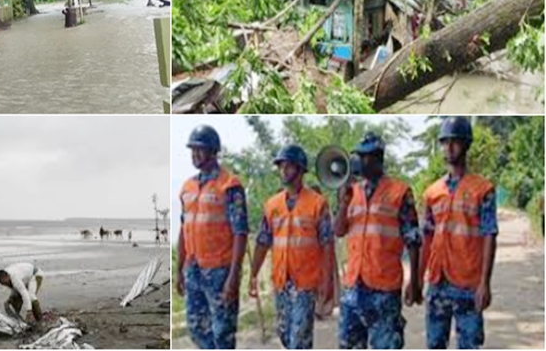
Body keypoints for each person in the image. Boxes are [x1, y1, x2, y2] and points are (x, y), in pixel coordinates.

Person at [333, 132, 422, 349]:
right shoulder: (351, 192)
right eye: (360, 156)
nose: (362, 162)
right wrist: (343, 204)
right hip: (354, 287)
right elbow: (338, 231)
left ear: (378, 158)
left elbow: (413, 240)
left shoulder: (399, 193)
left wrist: (415, 281)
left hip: (384, 290)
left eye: (367, 157)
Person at [419, 117, 497, 349]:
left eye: (454, 142)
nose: (448, 148)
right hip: (438, 282)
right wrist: (417, 279)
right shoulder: (432, 192)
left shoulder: (483, 190)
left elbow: (489, 235)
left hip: (467, 283)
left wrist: (485, 283)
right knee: (434, 344)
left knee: (470, 345)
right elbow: (427, 238)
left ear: (466, 145)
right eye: (444, 142)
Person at [249, 144, 333, 349]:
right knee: (285, 335)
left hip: (305, 283)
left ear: (300, 169)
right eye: (281, 166)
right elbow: (262, 241)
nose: (283, 171)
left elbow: (327, 245)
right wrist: (253, 275)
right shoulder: (272, 205)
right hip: (281, 282)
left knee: (299, 340)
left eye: (288, 166)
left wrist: (326, 281)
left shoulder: (317, 204)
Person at [176, 125, 248, 349]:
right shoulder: (187, 187)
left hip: (220, 272)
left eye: (200, 149)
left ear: (213, 151)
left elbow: (240, 233)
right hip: (194, 270)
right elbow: (183, 229)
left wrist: (234, 276)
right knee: (197, 329)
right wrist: (178, 269)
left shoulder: (229, 186)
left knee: (223, 332)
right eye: (192, 150)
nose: (195, 155)